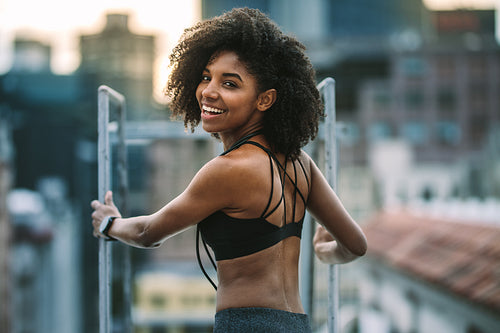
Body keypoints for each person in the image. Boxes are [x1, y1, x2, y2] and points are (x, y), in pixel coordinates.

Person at [91, 7, 367, 332]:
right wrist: (324, 252)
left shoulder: (227, 170)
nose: (208, 91)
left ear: (264, 100)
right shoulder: (300, 163)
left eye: (230, 84)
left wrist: (108, 223)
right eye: (207, 77)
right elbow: (354, 245)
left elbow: (148, 233)